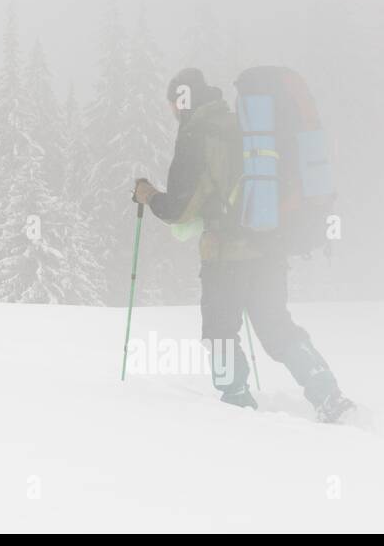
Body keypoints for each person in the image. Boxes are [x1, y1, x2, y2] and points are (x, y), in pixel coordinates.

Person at [133, 67, 354, 422]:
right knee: (277, 327)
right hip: (269, 248)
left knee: (220, 332)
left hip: (226, 255)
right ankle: (329, 395)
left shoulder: (196, 135)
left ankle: (236, 402)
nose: (173, 111)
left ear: (180, 101)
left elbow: (180, 208)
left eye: (173, 104)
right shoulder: (245, 126)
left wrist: (149, 196)